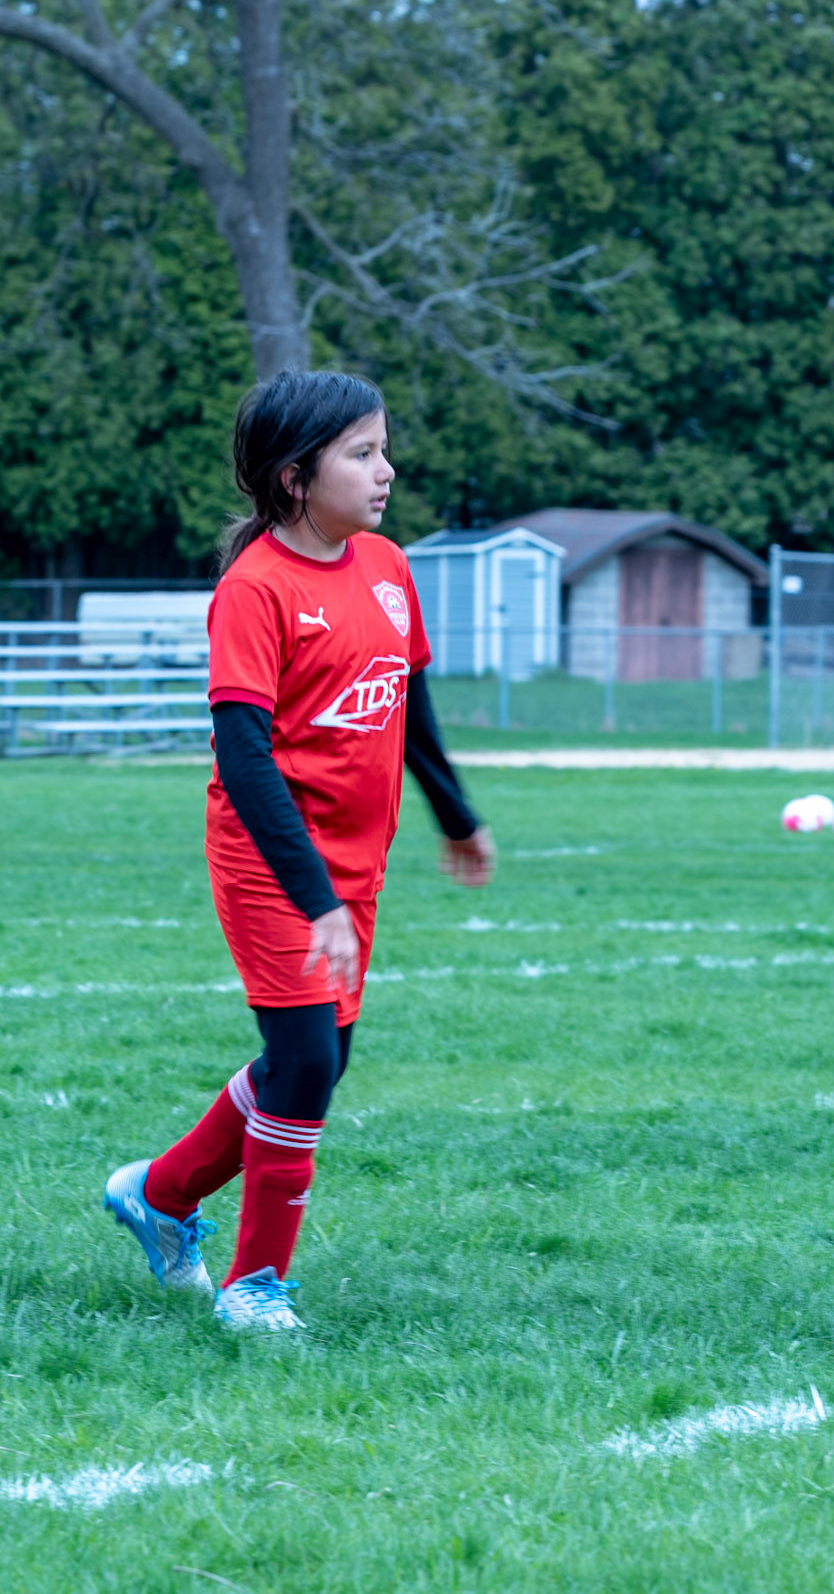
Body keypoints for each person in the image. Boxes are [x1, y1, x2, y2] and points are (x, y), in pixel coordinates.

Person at [104, 372, 496, 1333]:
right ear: (293, 478)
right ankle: (254, 1286)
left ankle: (157, 1194)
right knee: (307, 1060)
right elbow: (243, 758)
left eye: (382, 448)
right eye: (361, 453)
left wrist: (454, 814)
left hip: (353, 870)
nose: (385, 470)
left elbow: (413, 704)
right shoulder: (255, 590)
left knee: (317, 1061)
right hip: (271, 866)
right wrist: (312, 893)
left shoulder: (387, 567)